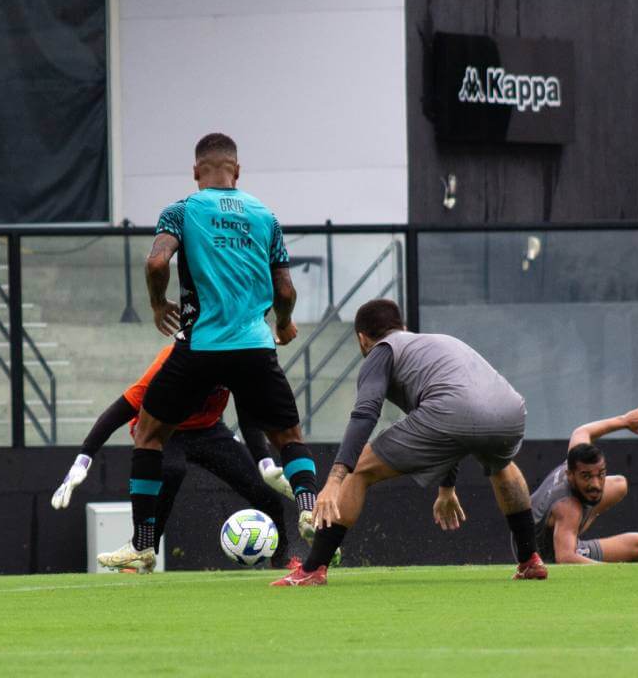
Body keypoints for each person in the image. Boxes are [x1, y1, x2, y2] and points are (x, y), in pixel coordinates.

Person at [97, 133, 319, 573]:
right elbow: (286, 289)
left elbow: (157, 263)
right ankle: (310, 509)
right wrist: (284, 322)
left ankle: (143, 546)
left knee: (149, 434)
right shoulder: (265, 216)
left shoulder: (181, 211)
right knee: (289, 438)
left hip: (201, 348)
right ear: (237, 171)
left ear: (196, 171)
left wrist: (160, 304)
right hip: (255, 347)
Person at [272, 298, 547, 587]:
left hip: (453, 412)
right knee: (502, 464)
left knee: (359, 469)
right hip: (511, 411)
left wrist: (335, 479)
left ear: (362, 339)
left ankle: (313, 569)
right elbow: (456, 418)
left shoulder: (381, 352)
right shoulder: (436, 342)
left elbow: (366, 414)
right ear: (402, 327)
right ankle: (530, 560)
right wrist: (447, 486)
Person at [52, 344, 298, 570]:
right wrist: (83, 459)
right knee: (172, 470)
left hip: (208, 430)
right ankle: (143, 549)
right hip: (163, 430)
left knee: (264, 492)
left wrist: (264, 461)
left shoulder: (233, 357)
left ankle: (282, 559)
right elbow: (120, 410)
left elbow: (249, 411)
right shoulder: (173, 361)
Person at [531, 407, 638, 564]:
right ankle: (572, 541)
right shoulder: (568, 507)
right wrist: (618, 571)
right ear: (570, 475)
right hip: (546, 554)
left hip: (538, 525)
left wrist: (625, 421)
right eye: (586, 476)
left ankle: (570, 535)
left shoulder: (574, 459)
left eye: (600, 474)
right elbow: (566, 558)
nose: (595, 484)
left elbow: (582, 432)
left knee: (619, 484)